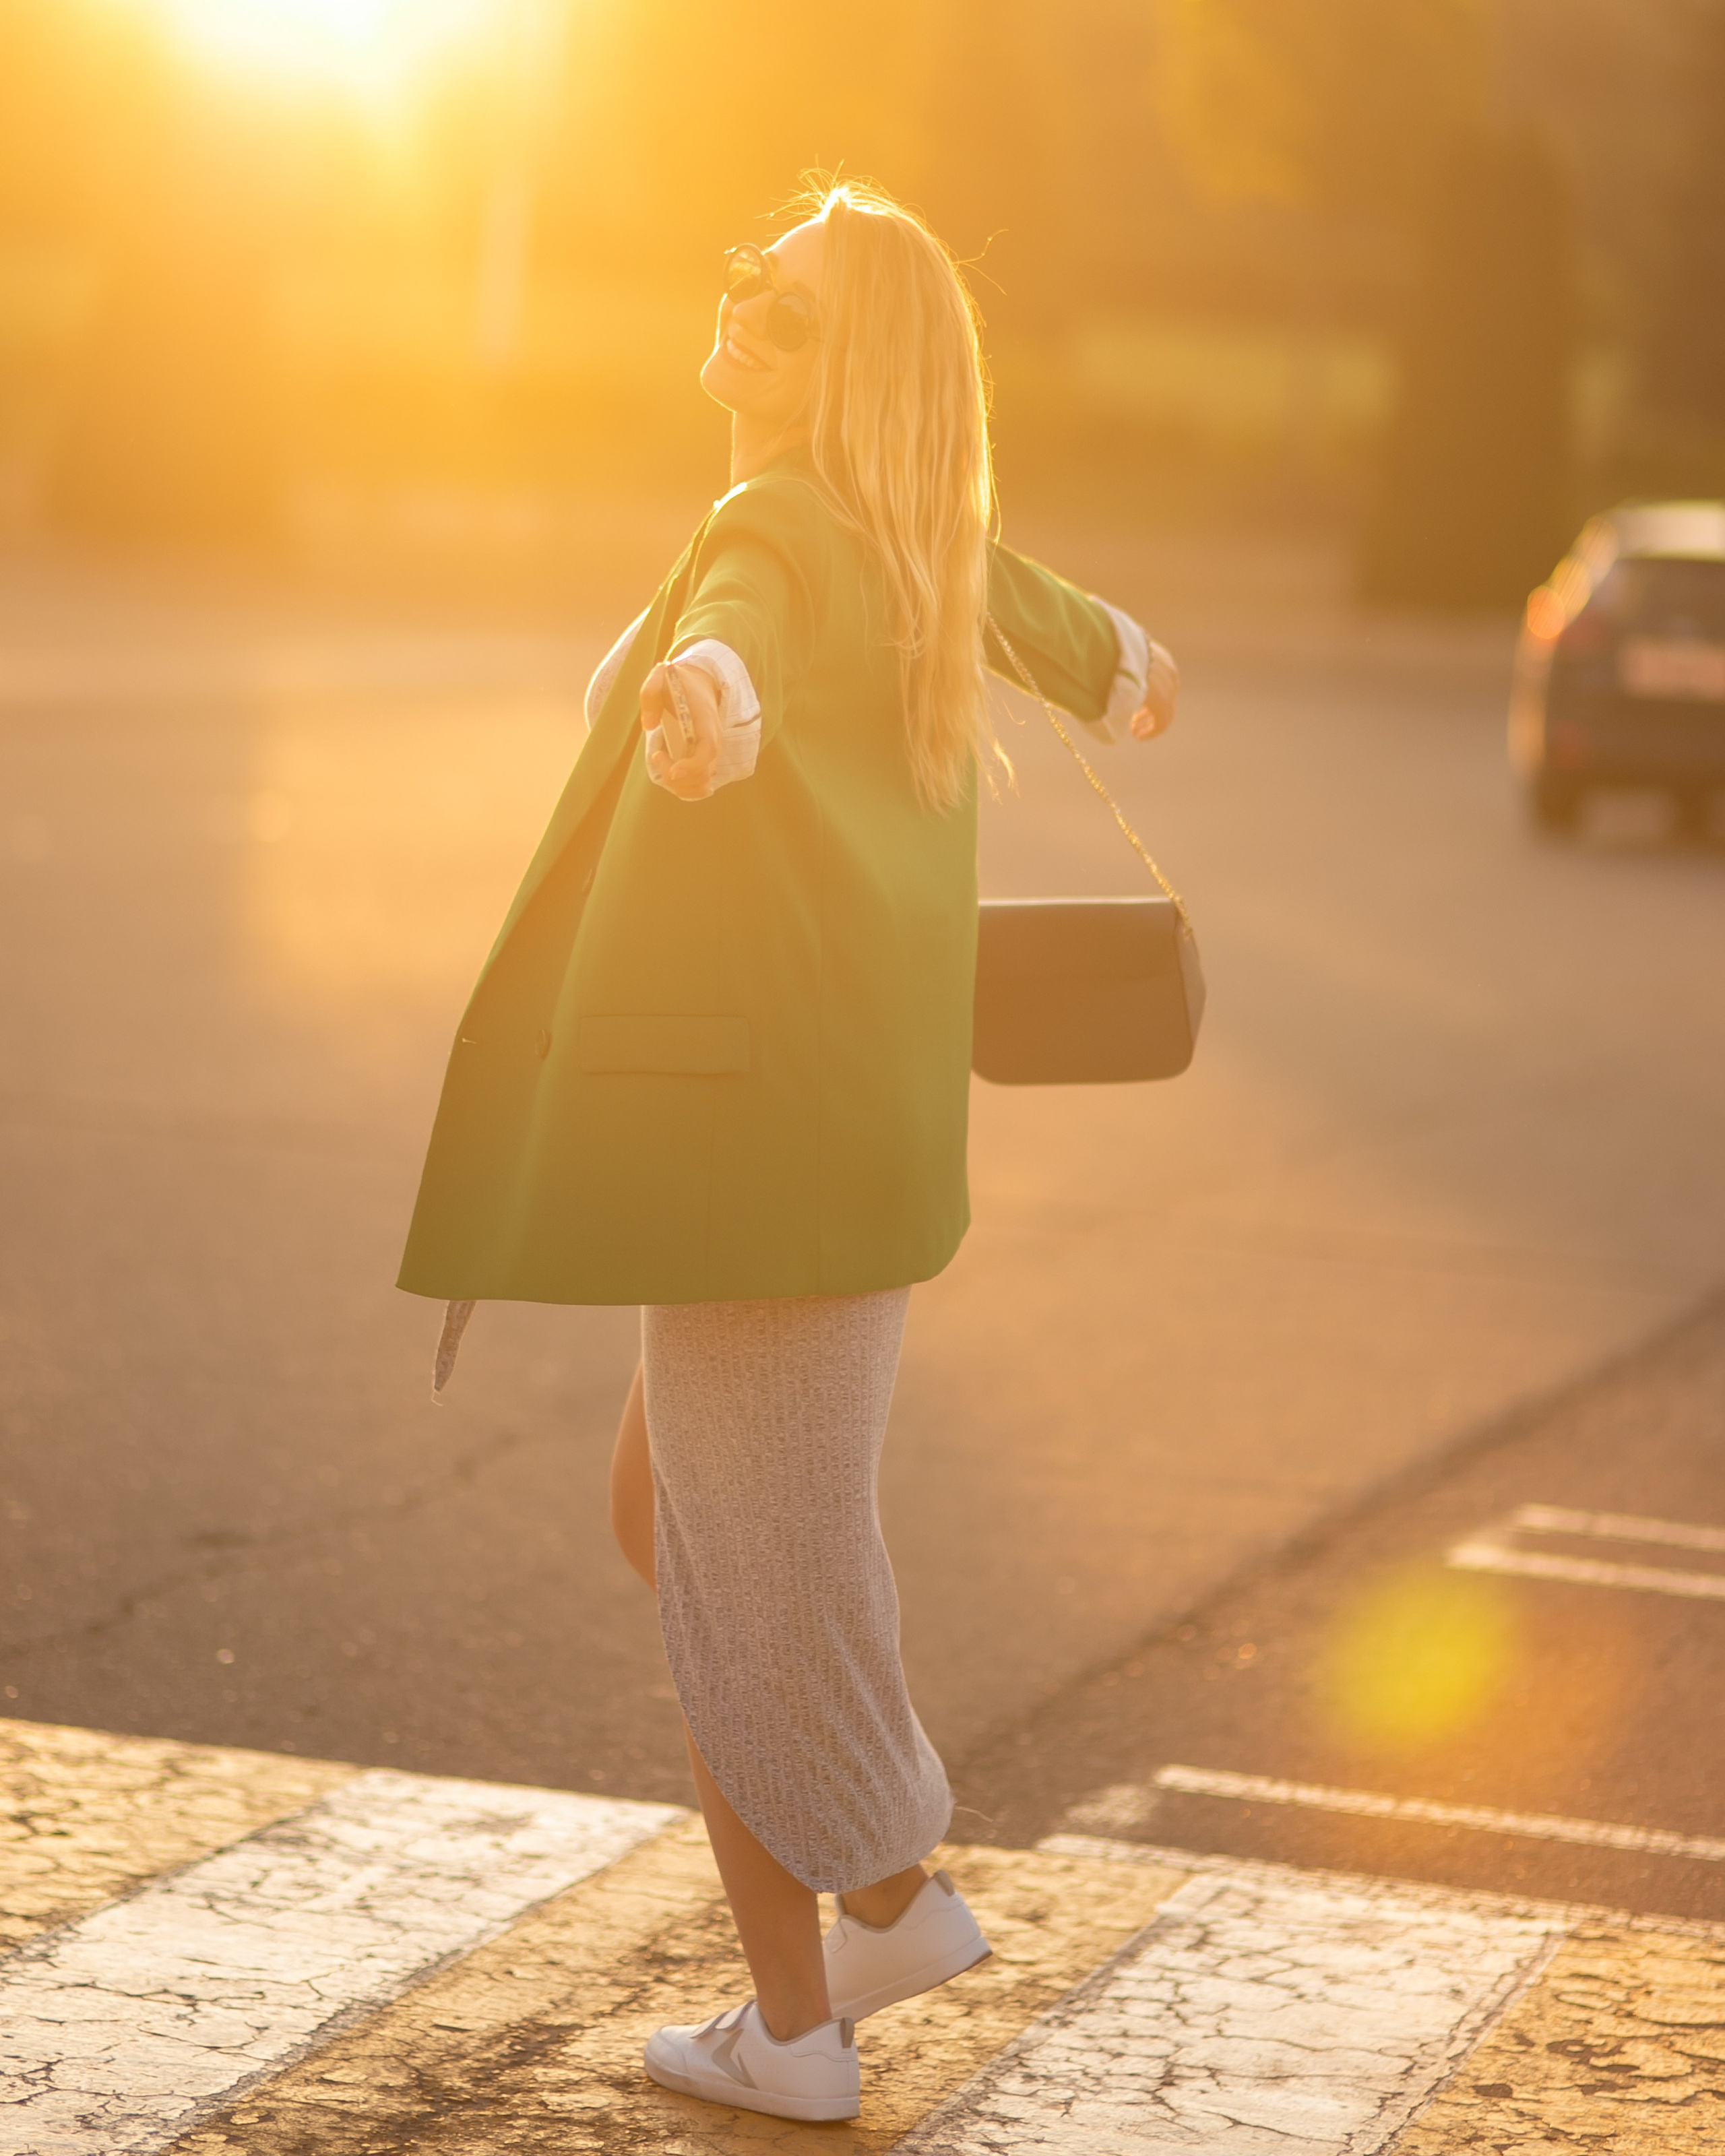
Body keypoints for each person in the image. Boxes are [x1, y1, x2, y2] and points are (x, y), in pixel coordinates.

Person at [398, 179, 1177, 2125]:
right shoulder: (899, 533)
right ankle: (891, 1890)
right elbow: (1024, 604)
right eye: (747, 273)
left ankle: (798, 2026)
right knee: (684, 1519)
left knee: (736, 1584)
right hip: (853, 1156)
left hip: (760, 1164)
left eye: (796, 306)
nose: (746, 306)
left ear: (864, 377)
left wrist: (710, 709)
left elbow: (740, 642)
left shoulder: (777, 529)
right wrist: (1126, 666)